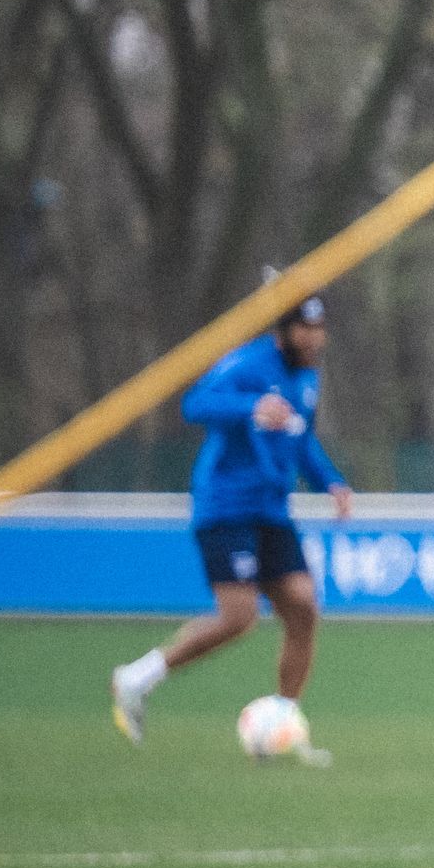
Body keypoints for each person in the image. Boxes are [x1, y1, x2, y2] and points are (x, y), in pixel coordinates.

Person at [110, 293, 351, 743]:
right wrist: (250, 408)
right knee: (238, 617)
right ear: (284, 330)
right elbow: (195, 404)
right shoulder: (248, 364)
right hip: (225, 506)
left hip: (271, 509)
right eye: (304, 327)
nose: (314, 337)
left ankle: (282, 722)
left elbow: (302, 440)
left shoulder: (307, 377)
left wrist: (331, 483)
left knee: (302, 607)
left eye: (319, 328)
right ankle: (137, 678)